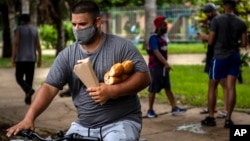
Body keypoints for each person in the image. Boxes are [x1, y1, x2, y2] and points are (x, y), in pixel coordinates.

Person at [6, 1, 151, 140]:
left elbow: (144, 77)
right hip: (83, 126)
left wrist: (112, 91)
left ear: (97, 22)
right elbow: (49, 87)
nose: (77, 29)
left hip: (121, 123)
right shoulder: (67, 55)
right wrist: (29, 118)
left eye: (82, 24)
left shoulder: (121, 47)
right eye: (74, 24)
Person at [201, 0, 247, 128]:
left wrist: (205, 37)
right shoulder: (241, 22)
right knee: (231, 87)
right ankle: (228, 119)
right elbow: (243, 44)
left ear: (223, 6)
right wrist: (233, 44)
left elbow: (210, 41)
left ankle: (211, 117)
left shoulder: (217, 20)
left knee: (212, 86)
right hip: (234, 56)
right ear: (234, 7)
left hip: (220, 57)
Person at [146, 16, 186, 118]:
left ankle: (174, 107)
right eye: (164, 25)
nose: (166, 26)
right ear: (159, 26)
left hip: (163, 68)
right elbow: (155, 51)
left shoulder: (162, 38)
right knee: (153, 89)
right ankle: (150, 110)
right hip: (155, 68)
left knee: (168, 88)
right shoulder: (153, 38)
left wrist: (165, 64)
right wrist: (166, 63)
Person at [198, 3, 228, 119]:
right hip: (212, 54)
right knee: (213, 82)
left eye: (207, 13)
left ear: (210, 12)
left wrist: (204, 37)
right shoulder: (215, 20)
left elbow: (214, 39)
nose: (206, 15)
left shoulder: (218, 20)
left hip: (218, 54)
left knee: (224, 83)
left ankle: (225, 109)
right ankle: (212, 107)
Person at [11, 14, 42, 105]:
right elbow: (38, 45)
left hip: (21, 58)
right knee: (29, 79)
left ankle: (28, 90)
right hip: (31, 58)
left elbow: (16, 43)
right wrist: (40, 58)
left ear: (21, 21)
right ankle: (28, 99)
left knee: (18, 77)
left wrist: (13, 57)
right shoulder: (34, 30)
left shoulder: (19, 29)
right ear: (29, 20)